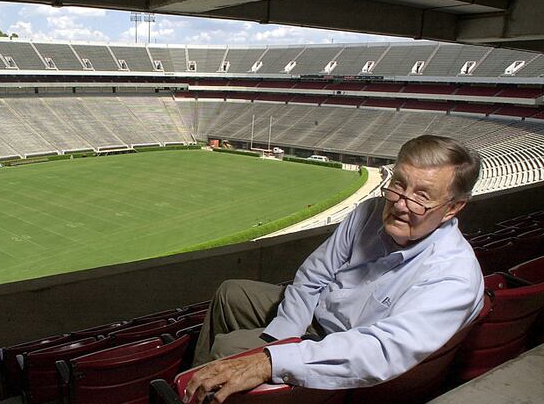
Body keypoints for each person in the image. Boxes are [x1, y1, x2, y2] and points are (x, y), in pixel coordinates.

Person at [185, 135, 484, 403]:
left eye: (421, 196)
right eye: (398, 184)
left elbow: (378, 352)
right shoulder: (368, 212)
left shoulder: (453, 276)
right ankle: (188, 390)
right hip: (313, 316)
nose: (401, 204)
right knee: (230, 292)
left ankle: (209, 384)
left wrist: (271, 360)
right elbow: (314, 274)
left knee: (228, 347)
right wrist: (285, 334)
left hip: (340, 345)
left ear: (453, 208)